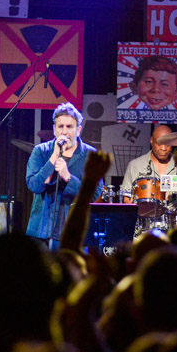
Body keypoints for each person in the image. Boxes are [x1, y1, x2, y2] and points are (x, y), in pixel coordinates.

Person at [25, 102, 101, 246]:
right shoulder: (41, 151)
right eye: (60, 126)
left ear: (78, 130)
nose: (64, 132)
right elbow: (34, 186)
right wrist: (53, 157)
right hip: (41, 231)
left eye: (69, 127)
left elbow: (94, 193)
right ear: (54, 129)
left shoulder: (90, 155)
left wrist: (68, 176)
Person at [121, 125, 177, 218]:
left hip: (172, 223)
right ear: (151, 141)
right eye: (159, 143)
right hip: (143, 222)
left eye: (167, 144)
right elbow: (126, 197)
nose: (163, 148)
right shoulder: (135, 165)